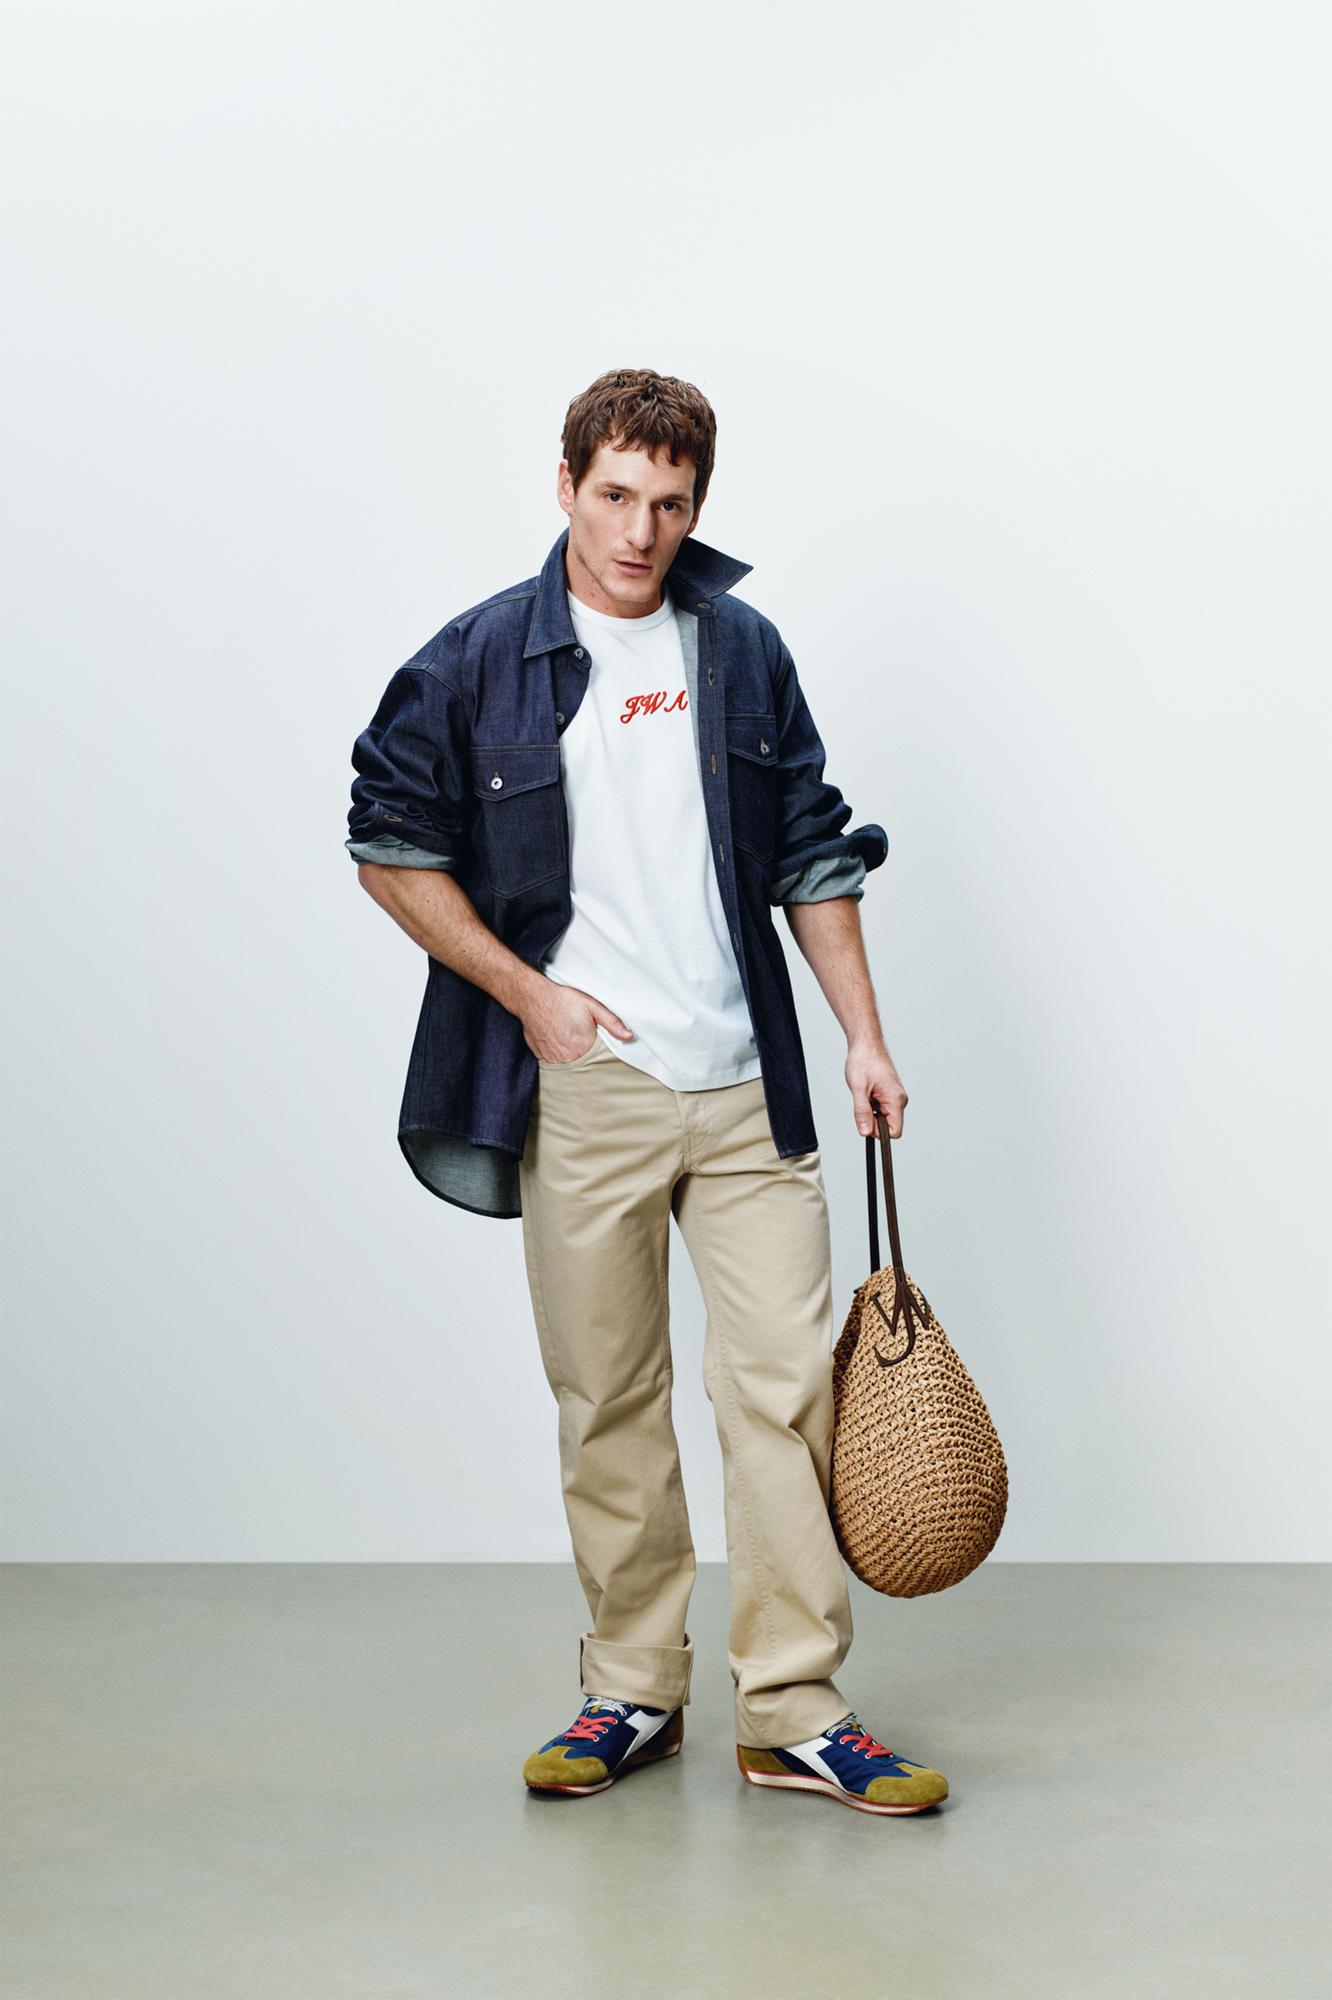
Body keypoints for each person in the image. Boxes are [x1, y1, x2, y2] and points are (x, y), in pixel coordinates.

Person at [346, 367, 949, 1816]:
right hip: (588, 1088)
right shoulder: (477, 660)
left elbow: (811, 851)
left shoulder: (741, 649)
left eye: (670, 504)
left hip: (747, 1089)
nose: (639, 531)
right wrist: (528, 995)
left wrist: (864, 1038)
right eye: (615, 495)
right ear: (566, 485)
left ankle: (792, 1708)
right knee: (608, 1397)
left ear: (697, 505)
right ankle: (632, 1692)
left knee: (786, 1398)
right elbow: (388, 844)